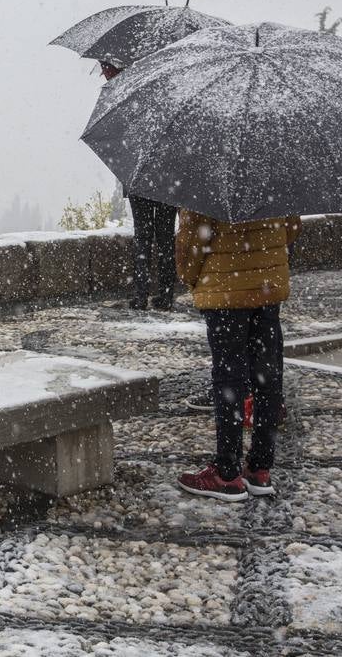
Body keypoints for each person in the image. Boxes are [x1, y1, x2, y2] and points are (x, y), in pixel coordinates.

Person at [174, 208, 301, 501]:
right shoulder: (276, 169)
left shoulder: (205, 173)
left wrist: (190, 276)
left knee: (229, 379)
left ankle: (227, 473)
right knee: (268, 377)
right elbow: (292, 226)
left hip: (225, 289)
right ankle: (260, 469)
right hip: (267, 287)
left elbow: (193, 237)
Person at [99, 59, 178, 310]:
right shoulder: (166, 94)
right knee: (164, 237)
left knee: (144, 236)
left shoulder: (127, 97)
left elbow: (120, 140)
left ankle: (142, 294)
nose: (103, 74)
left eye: (105, 69)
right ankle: (164, 295)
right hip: (166, 177)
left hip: (141, 176)